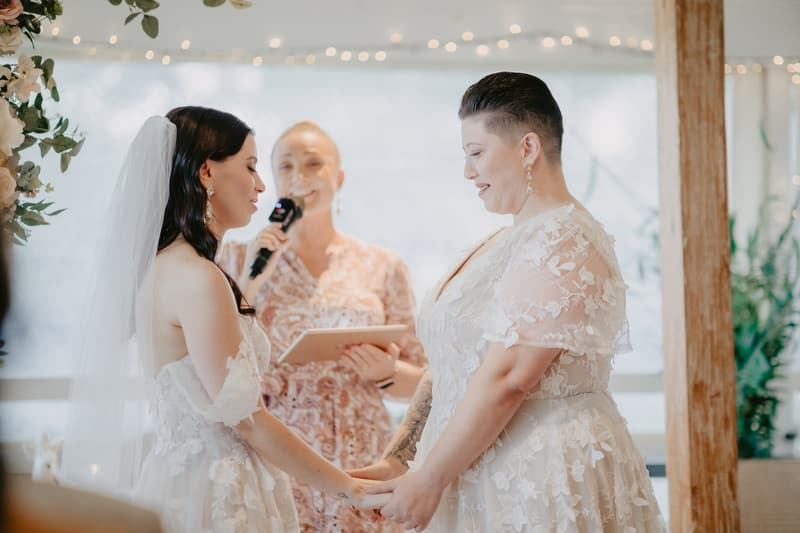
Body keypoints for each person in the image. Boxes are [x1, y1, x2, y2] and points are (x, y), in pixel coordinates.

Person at [351, 73, 666, 532]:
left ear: (527, 148)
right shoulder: (504, 243)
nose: (467, 172)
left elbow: (509, 377)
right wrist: (401, 459)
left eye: (476, 153)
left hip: (538, 476)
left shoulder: (565, 240)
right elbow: (454, 369)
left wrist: (431, 479)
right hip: (471, 470)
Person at [59, 107, 384, 533]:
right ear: (207, 173)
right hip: (218, 494)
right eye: (250, 166)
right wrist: (349, 488)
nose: (261, 185)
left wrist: (248, 280)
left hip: (182, 479)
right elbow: (248, 421)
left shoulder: (162, 268)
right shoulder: (198, 277)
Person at [220, 121, 427, 532]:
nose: (299, 176)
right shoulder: (236, 258)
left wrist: (387, 373)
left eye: (313, 164)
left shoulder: (382, 266)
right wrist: (249, 281)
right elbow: (217, 362)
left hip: (364, 452)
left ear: (339, 177)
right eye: (286, 166)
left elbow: (425, 385)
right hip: (277, 453)